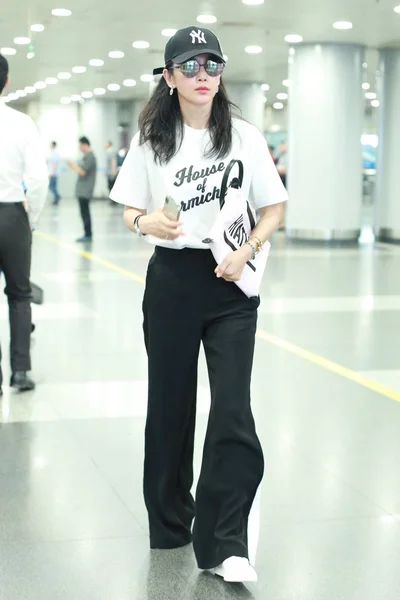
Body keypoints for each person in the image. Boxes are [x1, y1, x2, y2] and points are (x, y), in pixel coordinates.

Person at [110, 27, 288, 583]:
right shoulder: (152, 140)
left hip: (232, 285)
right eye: (189, 66)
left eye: (211, 64)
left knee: (233, 408)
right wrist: (148, 224)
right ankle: (169, 523)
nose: (202, 74)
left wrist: (248, 252)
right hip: (172, 283)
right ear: (168, 78)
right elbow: (128, 209)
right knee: (170, 406)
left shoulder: (245, 137)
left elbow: (273, 209)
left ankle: (224, 541)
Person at [0, 53, 48, 396]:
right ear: (6, 82)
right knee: (19, 296)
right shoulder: (21, 123)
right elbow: (39, 179)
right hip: (12, 215)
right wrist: (29, 219)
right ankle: (19, 372)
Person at [66, 137, 97, 243]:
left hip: (85, 190)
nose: (79, 148)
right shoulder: (86, 157)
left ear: (85, 145)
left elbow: (83, 172)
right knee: (84, 213)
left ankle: (88, 234)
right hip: (82, 190)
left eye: (80, 145)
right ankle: (86, 233)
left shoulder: (90, 157)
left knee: (85, 213)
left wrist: (72, 165)